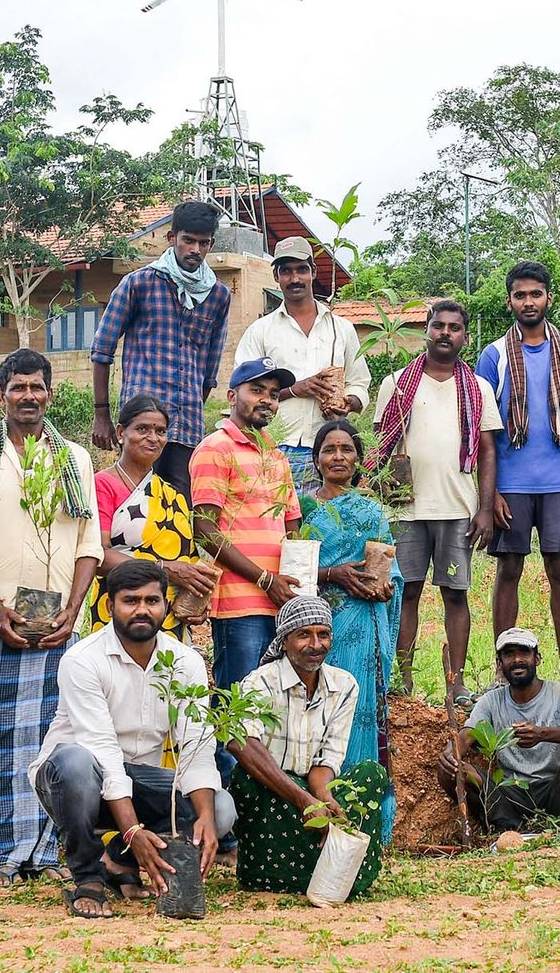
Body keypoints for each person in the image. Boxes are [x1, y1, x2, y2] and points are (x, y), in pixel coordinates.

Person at [0, 350, 102, 884]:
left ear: (50, 393)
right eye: (18, 387)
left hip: (58, 624)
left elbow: (88, 540)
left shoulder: (75, 458)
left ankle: (44, 853)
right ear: (2, 396)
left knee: (52, 737)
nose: (28, 396)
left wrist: (73, 608)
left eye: (37, 387)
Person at [32, 560, 235, 919]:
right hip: (74, 780)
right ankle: (88, 878)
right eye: (130, 600)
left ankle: (117, 863)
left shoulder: (184, 661)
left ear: (166, 606)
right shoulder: (83, 660)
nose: (142, 609)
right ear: (110, 606)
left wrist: (204, 818)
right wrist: (131, 830)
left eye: (152, 600)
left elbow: (196, 745)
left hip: (140, 779)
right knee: (77, 763)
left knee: (220, 809)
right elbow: (102, 750)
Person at [373, 298, 501, 694]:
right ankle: (402, 680)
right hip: (406, 509)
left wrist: (484, 508)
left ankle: (457, 684)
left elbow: (488, 451)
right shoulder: (396, 383)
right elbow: (379, 444)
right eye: (439, 325)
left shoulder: (478, 388)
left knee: (455, 594)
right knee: (406, 592)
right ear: (426, 329)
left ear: (465, 335)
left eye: (454, 327)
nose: (446, 333)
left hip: (457, 508)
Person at [478, 261, 560, 679]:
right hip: (511, 484)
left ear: (549, 298)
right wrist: (490, 494)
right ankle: (502, 666)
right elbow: (483, 429)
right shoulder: (493, 356)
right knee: (508, 569)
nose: (528, 302)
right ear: (509, 300)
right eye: (520, 295)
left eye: (536, 294)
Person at [230, 596, 388, 898]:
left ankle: (332, 867)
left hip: (308, 790)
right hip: (273, 790)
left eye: (323, 634)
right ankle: (299, 870)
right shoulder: (260, 682)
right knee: (249, 781)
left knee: (371, 774)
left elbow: (326, 760)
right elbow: (241, 743)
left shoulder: (344, 686)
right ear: (285, 640)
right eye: (304, 634)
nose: (315, 644)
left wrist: (324, 800)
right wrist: (303, 802)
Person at [299, 419, 406, 838]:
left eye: (346, 449)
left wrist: (384, 588)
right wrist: (333, 575)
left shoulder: (371, 509)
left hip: (365, 627)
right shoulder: (304, 509)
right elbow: (298, 569)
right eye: (329, 449)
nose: (338, 456)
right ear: (317, 459)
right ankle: (321, 816)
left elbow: (389, 571)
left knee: (362, 713)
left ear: (359, 460)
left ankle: (367, 823)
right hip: (322, 628)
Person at [90, 200, 231, 500]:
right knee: (135, 505)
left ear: (211, 244)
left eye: (203, 243)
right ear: (172, 239)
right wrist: (101, 414)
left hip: (187, 426)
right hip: (140, 423)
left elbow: (210, 370)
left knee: (180, 509)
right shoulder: (139, 283)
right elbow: (102, 350)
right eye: (188, 240)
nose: (195, 249)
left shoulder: (218, 295)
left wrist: (191, 404)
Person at [193, 358, 305, 707]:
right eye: (256, 390)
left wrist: (294, 584)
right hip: (239, 603)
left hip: (282, 601)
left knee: (272, 706)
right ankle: (224, 766)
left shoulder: (276, 455)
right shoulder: (216, 448)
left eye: (273, 394)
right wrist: (265, 581)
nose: (266, 400)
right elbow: (205, 530)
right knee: (237, 705)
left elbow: (292, 526)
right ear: (231, 396)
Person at [235, 236, 370, 491]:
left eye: (301, 270)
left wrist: (346, 403)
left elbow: (360, 382)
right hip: (274, 445)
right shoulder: (261, 330)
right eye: (286, 271)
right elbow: (245, 391)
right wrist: (297, 389)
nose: (294, 278)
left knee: (324, 528)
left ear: (313, 272)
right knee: (278, 527)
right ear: (276, 276)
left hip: (329, 450)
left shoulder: (341, 328)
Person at [441, 628, 560, 831]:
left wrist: (541, 733)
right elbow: (465, 737)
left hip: (558, 788)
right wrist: (451, 755)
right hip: (511, 793)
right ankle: (510, 828)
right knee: (451, 770)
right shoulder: (491, 701)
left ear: (537, 658)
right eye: (509, 654)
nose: (517, 659)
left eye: (524, 652)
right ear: (499, 664)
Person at [89, 395, 218, 632]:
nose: (153, 438)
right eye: (142, 429)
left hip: (169, 618)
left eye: (160, 431)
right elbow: (97, 555)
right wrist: (163, 569)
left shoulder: (172, 495)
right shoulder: (101, 485)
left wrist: (196, 601)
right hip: (120, 613)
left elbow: (185, 561)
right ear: (120, 433)